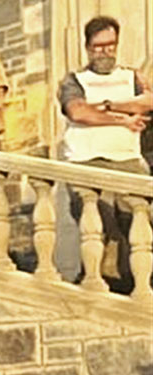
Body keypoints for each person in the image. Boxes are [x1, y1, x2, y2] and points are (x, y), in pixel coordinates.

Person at [59, 15, 153, 290]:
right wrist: (123, 119)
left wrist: (108, 104)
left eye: (111, 45)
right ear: (88, 47)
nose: (105, 52)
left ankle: (138, 284)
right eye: (99, 46)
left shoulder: (131, 76)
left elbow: (148, 102)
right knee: (98, 226)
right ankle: (101, 283)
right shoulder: (74, 80)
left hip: (127, 160)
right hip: (86, 160)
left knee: (138, 223)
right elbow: (78, 112)